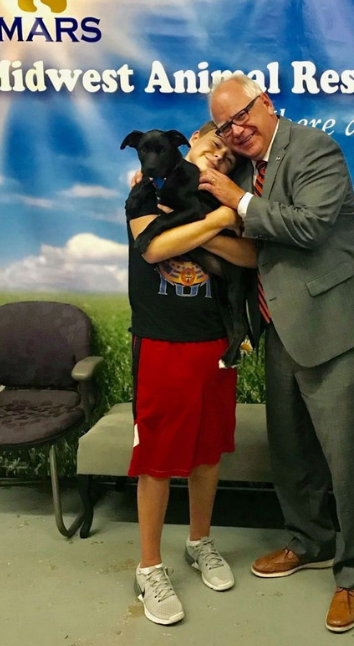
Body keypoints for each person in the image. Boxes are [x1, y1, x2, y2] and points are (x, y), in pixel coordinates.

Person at [198, 72, 354, 633]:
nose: (235, 132)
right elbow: (201, 169)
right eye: (223, 126)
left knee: (346, 459)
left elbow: (308, 227)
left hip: (336, 325)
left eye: (242, 117)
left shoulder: (314, 148)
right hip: (279, 322)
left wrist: (237, 200)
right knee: (290, 451)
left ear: (267, 103)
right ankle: (308, 541)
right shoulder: (243, 164)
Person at [126, 121, 257, 626]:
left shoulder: (221, 205)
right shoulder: (143, 189)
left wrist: (214, 220)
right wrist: (221, 220)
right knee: (157, 458)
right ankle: (149, 567)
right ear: (190, 147)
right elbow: (153, 248)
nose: (219, 160)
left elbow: (248, 256)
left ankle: (199, 541)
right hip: (161, 343)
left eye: (228, 160)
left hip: (214, 344)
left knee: (207, 452)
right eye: (212, 149)